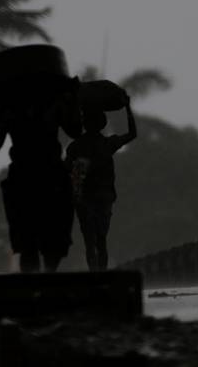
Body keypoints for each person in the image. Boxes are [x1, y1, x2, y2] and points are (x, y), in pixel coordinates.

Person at [0, 76, 82, 273]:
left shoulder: (9, 106)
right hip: (42, 178)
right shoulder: (49, 101)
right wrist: (72, 99)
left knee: (35, 244)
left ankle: (39, 283)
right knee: (37, 244)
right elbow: (76, 129)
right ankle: (43, 282)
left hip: (32, 179)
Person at [65, 96, 137, 271]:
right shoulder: (108, 143)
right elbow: (132, 133)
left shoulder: (75, 147)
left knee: (90, 242)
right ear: (102, 123)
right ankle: (102, 277)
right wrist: (127, 108)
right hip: (103, 199)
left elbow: (66, 172)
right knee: (101, 241)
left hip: (84, 200)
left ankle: (95, 276)